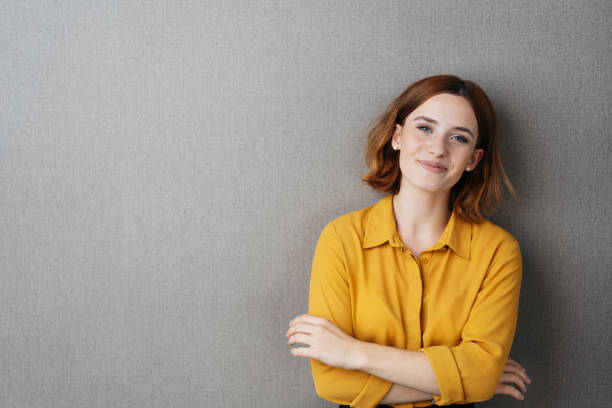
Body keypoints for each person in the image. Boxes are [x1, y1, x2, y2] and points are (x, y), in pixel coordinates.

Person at [285, 74, 532, 408]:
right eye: (425, 128)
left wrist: (351, 352)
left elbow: (482, 375)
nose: (437, 148)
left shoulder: (498, 252)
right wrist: (465, 380)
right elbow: (332, 382)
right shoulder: (341, 239)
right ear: (397, 137)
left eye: (458, 138)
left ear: (473, 159)